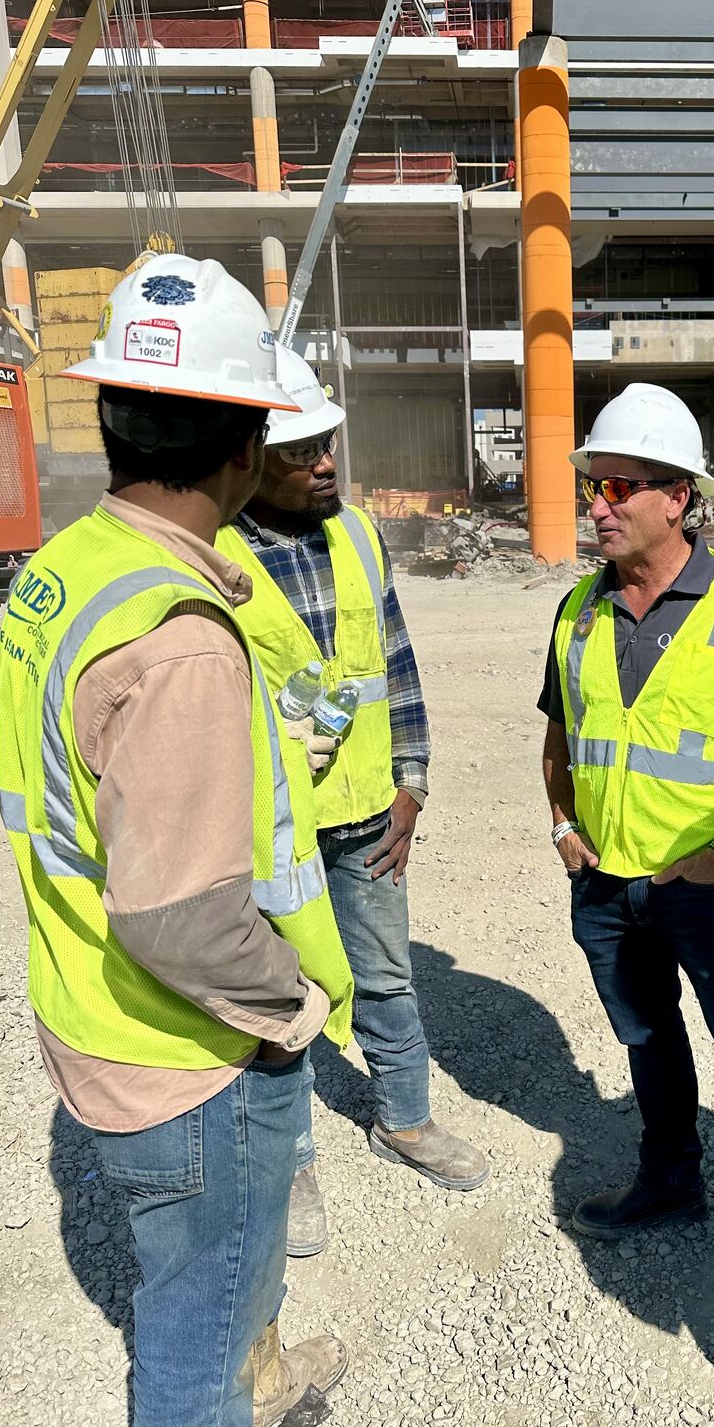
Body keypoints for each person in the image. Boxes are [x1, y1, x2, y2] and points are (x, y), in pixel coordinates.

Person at [0, 255, 367, 1427]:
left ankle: (259, 1380)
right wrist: (289, 1001)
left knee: (235, 1253)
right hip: (183, 1037)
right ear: (245, 442)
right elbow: (177, 917)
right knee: (196, 1299)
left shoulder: (70, 570)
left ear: (111, 421)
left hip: (93, 1004)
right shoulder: (181, 639)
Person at [539, 382, 714, 1322]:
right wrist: (564, 827)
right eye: (595, 486)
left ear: (680, 497)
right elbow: (561, 733)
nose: (600, 506)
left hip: (704, 887)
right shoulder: (576, 610)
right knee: (648, 1040)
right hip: (605, 884)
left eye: (621, 487)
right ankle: (671, 1181)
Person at [220, 345, 488, 1258]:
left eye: (328, 441)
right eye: (301, 451)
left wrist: (412, 782)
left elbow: (395, 666)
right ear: (251, 459)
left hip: (370, 809)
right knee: (280, 998)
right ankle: (289, 1162)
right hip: (274, 831)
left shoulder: (360, 535)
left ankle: (404, 1119)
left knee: (386, 973)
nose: (326, 461)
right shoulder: (213, 555)